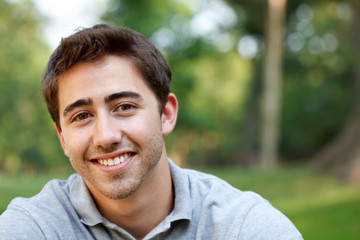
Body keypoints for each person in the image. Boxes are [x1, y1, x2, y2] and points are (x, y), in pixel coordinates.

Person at [0, 24, 303, 240]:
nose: (105, 136)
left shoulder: (242, 227)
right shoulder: (34, 228)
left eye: (124, 107)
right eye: (82, 116)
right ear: (63, 138)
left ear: (166, 114)